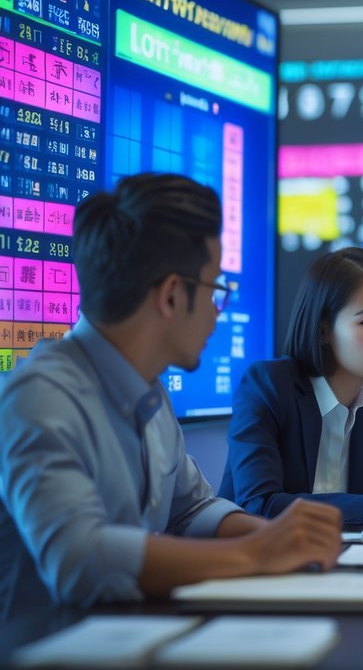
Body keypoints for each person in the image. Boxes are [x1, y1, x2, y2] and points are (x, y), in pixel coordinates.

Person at [0, 174, 342, 620]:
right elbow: (80, 558)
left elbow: (191, 508)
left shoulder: (148, 389)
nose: (217, 314)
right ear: (173, 295)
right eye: (215, 290)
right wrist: (256, 555)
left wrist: (278, 536)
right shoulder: (38, 396)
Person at [221, 248, 363, 525]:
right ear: (324, 329)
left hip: (340, 562)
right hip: (258, 561)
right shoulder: (267, 386)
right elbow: (259, 505)